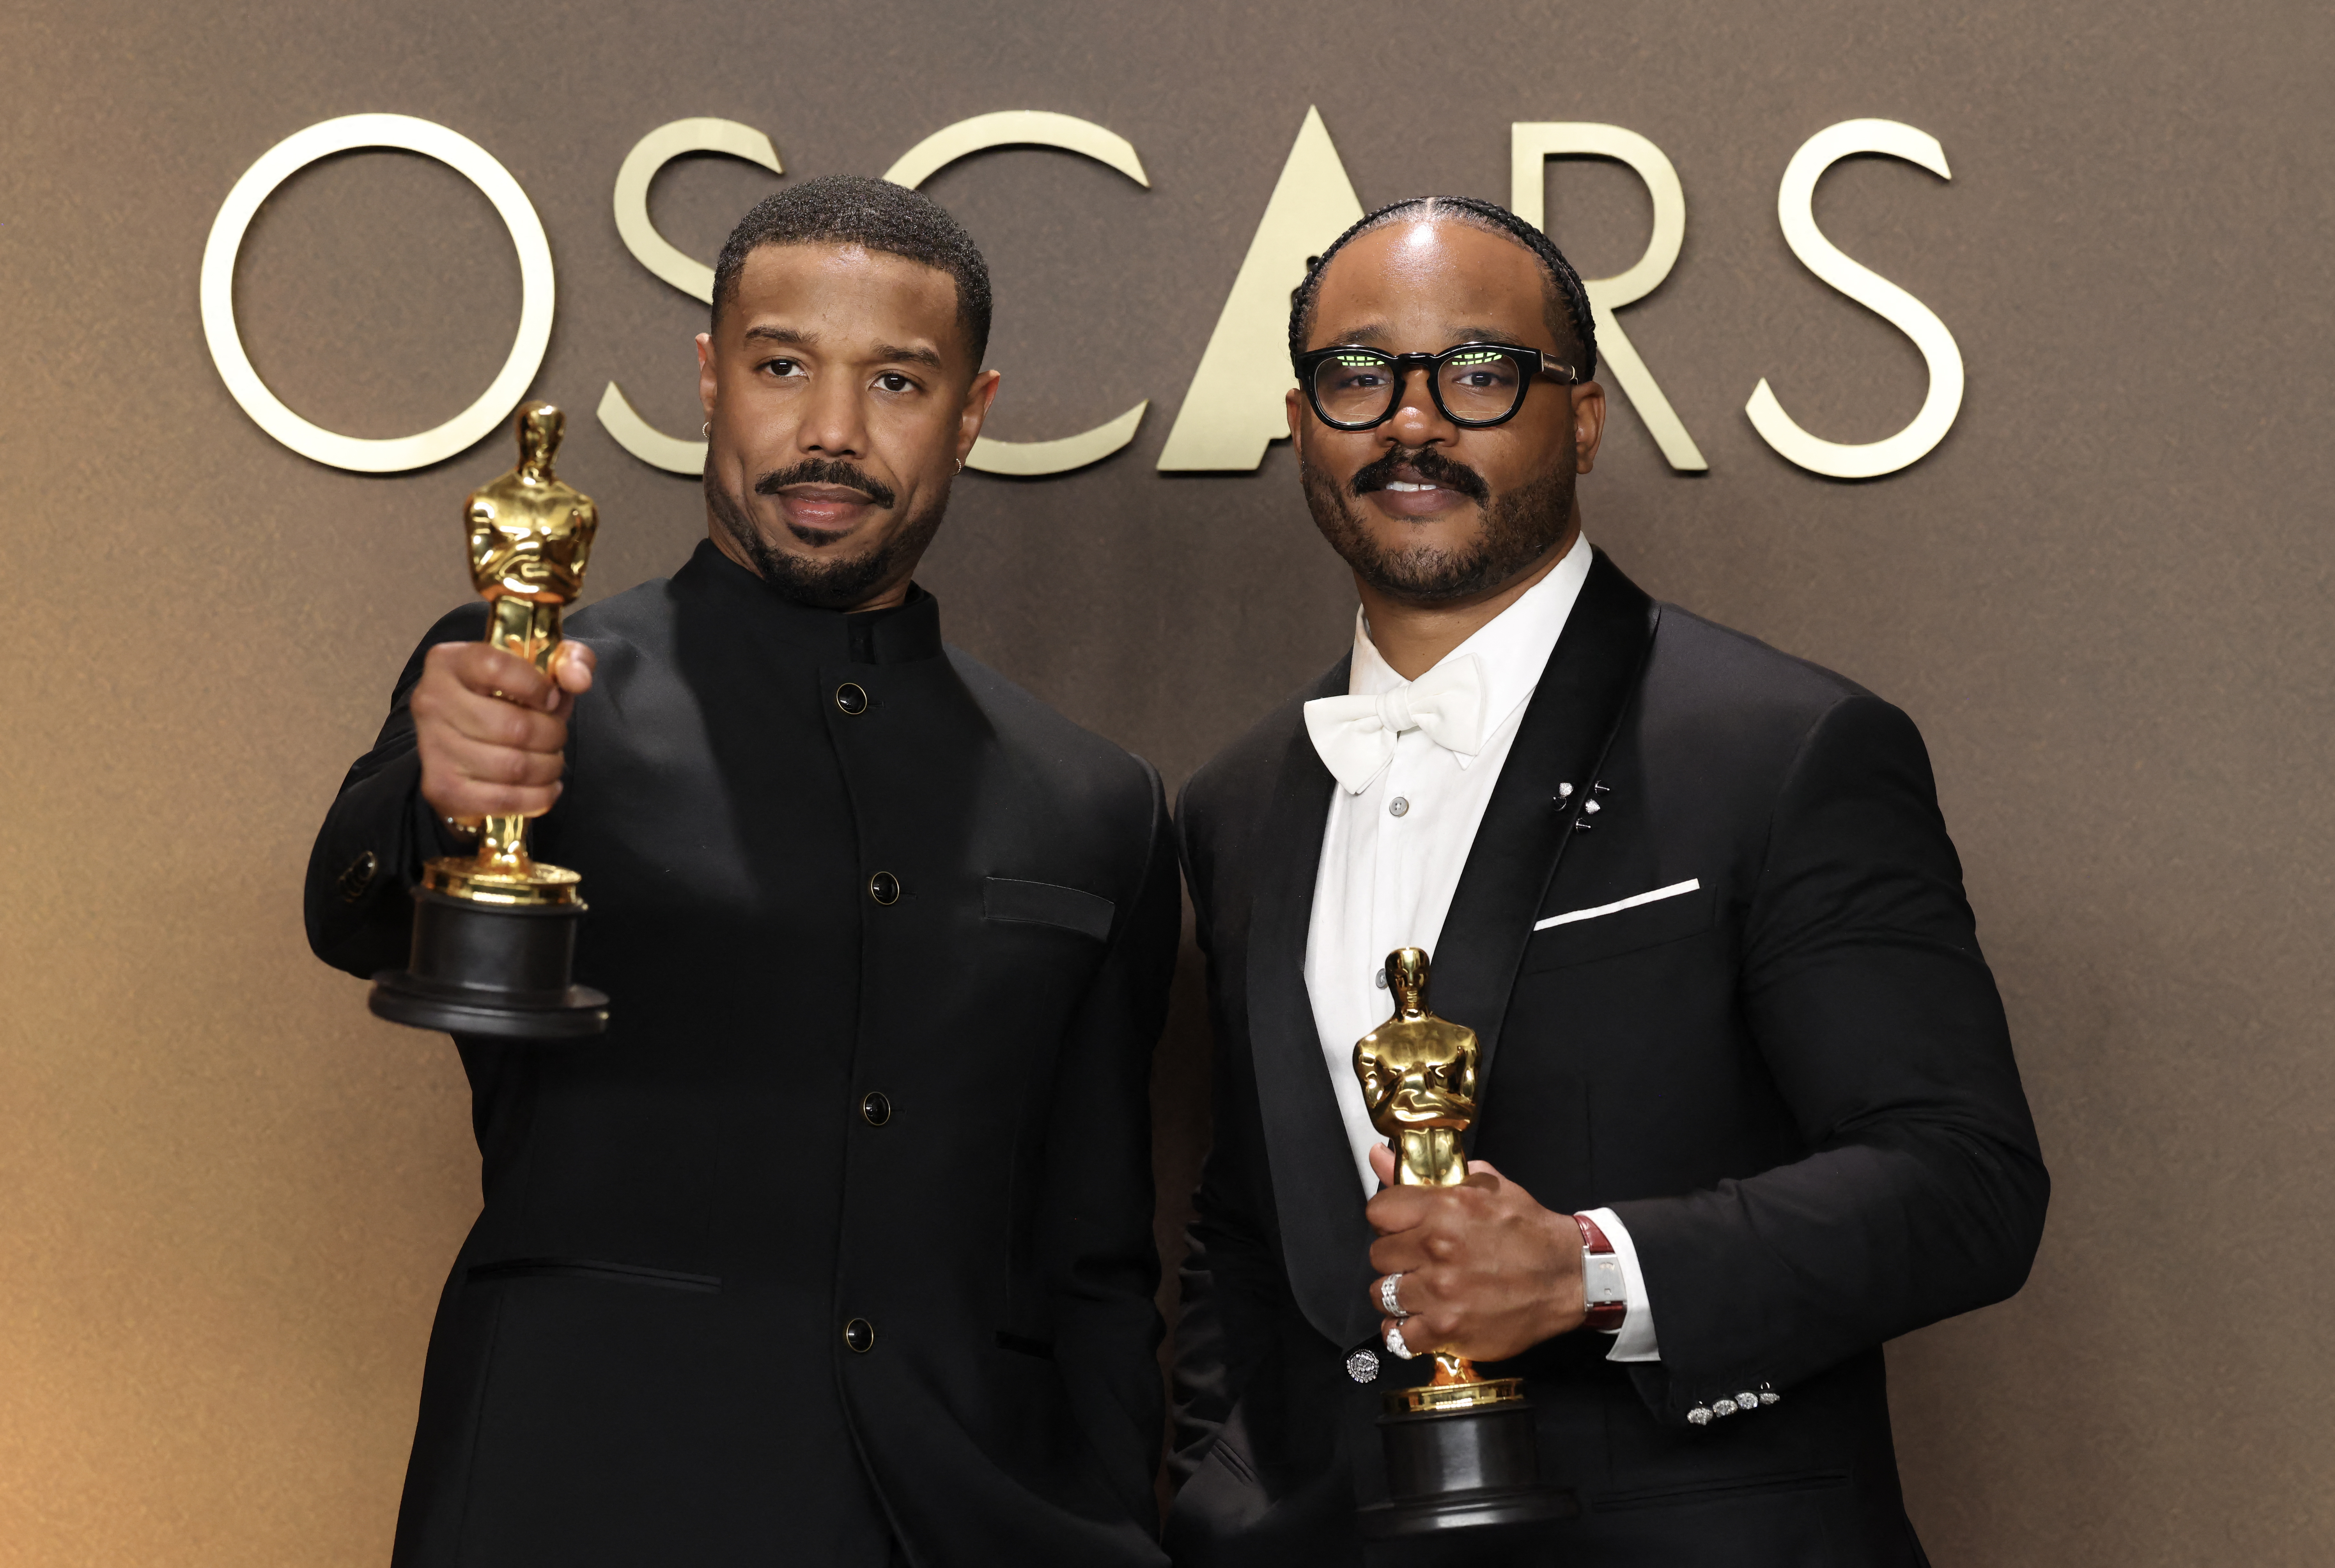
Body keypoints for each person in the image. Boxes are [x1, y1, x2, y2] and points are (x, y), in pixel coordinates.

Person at [305, 175, 1176, 1568]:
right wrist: (444, 790)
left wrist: (1118, 1526)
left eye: (897, 381)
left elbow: (1093, 1263)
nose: (830, 435)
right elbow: (356, 915)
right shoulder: (529, 679)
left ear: (974, 410)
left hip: (972, 1522)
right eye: (782, 368)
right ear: (711, 379)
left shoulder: (1100, 802)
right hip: (577, 1500)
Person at [1164, 196, 2047, 1565]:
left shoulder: (1784, 748)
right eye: (1359, 376)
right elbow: (1244, 1228)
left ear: (1580, 416)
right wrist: (1216, 1505)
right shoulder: (1235, 806)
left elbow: (1964, 1184)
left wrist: (1588, 1274)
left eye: (1477, 370)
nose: (1412, 422)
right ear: (1299, 418)